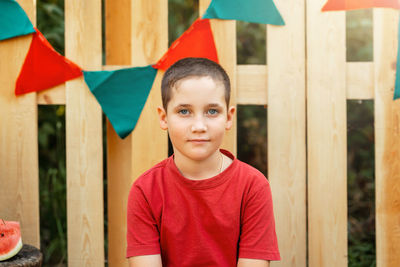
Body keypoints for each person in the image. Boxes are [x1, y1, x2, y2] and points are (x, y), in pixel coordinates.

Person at [126, 57, 280, 267]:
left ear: (228, 117)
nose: (199, 126)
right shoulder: (145, 190)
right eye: (184, 111)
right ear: (164, 118)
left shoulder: (253, 187)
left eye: (212, 111)